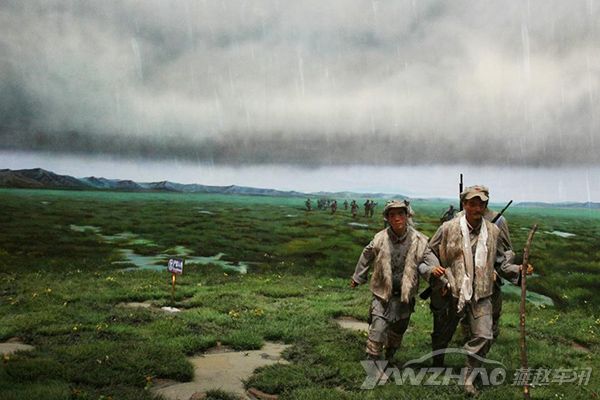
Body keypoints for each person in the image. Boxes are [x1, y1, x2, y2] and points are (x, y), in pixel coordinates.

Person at [425, 185, 533, 395]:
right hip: (452, 290)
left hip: (482, 293)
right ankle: (438, 361)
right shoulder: (448, 228)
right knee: (442, 334)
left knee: (484, 335)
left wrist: (519, 270)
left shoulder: (493, 232)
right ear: (464, 204)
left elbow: (502, 264)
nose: (477, 208)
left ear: (486, 206)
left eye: (481, 204)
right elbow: (429, 251)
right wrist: (437, 273)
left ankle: (468, 378)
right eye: (472, 203)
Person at [351, 200, 438, 364]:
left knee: (398, 331)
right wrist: (358, 277)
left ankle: (389, 356)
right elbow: (366, 255)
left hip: (405, 297)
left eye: (400, 214)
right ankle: (373, 363)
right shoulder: (380, 239)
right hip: (382, 293)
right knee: (378, 329)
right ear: (387, 218)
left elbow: (429, 260)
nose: (397, 218)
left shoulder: (419, 241)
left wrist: (434, 271)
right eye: (392, 215)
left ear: (407, 216)